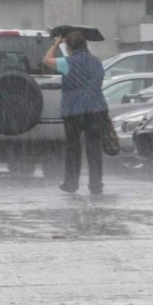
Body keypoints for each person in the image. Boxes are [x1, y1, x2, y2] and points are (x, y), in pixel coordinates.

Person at [43, 31, 108, 195]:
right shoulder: (96, 62)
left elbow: (46, 60)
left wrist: (55, 44)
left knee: (73, 147)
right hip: (96, 109)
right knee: (94, 147)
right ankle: (96, 184)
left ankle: (71, 183)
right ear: (85, 45)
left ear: (69, 46)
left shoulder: (67, 62)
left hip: (74, 110)